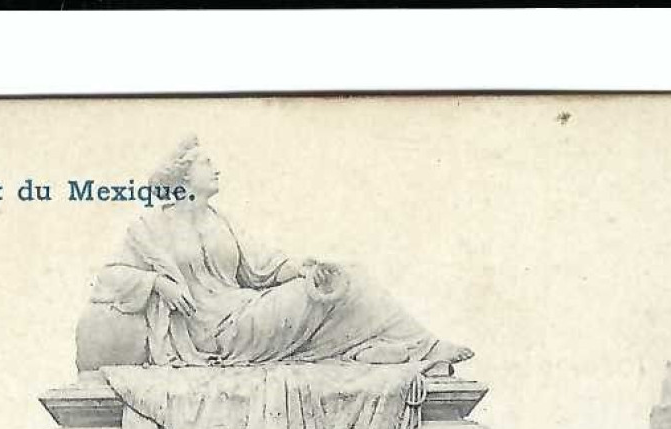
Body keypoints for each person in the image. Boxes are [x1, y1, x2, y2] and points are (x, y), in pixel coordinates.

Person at [91, 136, 472, 369]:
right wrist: (158, 283)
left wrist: (303, 269)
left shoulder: (223, 221)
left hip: (247, 311)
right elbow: (108, 278)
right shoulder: (149, 228)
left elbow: (265, 269)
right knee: (346, 284)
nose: (217, 169)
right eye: (207, 163)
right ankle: (418, 348)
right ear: (183, 175)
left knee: (340, 275)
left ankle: (392, 348)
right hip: (216, 333)